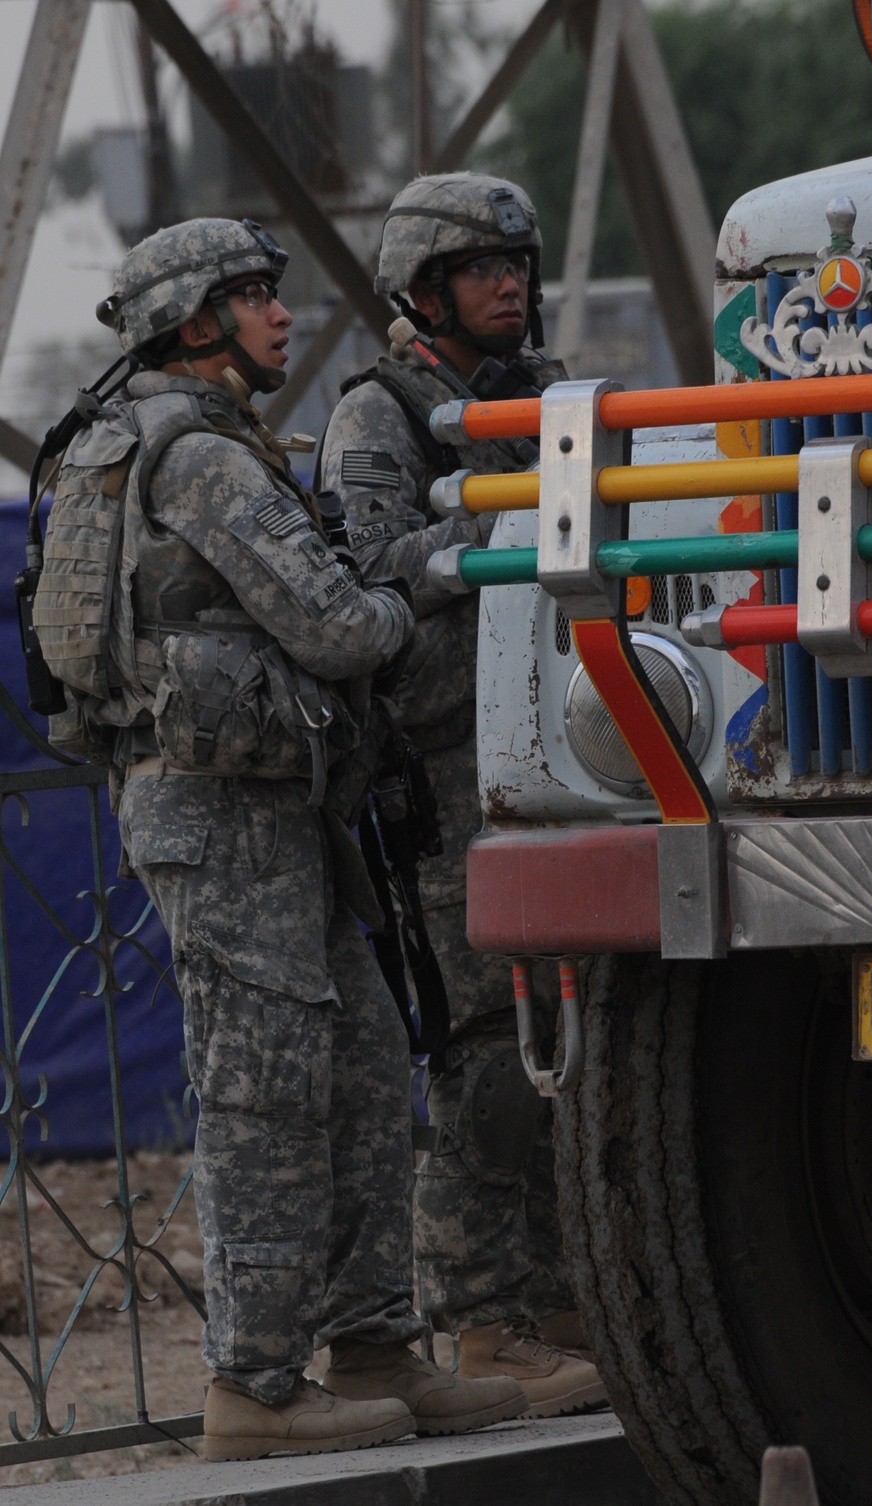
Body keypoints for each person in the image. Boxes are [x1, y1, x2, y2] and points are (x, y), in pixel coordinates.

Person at [38, 218, 526, 1462]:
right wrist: (428, 578)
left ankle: (371, 1344)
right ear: (195, 322)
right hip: (220, 811)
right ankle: (252, 1385)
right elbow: (342, 627)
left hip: (273, 806)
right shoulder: (200, 457)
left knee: (362, 1062)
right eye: (253, 295)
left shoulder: (188, 441)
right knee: (264, 1094)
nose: (279, 314)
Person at [318, 174, 606, 1416]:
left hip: (564, 738)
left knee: (569, 1031)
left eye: (518, 264)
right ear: (424, 289)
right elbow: (363, 564)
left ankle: (554, 1296)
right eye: (482, 268)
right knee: (482, 1047)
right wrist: (497, 526)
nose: (510, 286)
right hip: (444, 764)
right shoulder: (381, 414)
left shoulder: (547, 395)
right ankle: (484, 1320)